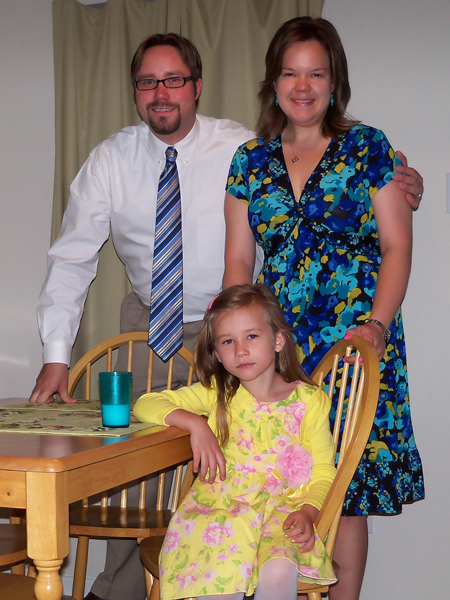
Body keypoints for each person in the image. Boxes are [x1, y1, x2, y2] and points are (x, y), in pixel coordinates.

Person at [29, 30, 423, 600]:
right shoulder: (174, 158)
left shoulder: (270, 144)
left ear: (197, 86)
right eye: (148, 82)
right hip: (227, 331)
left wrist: (405, 183)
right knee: (143, 461)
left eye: (175, 80)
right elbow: (75, 259)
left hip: (333, 335)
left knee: (340, 484)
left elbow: (391, 234)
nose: (162, 93)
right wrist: (56, 357)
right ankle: (129, 589)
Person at [223, 17, 425, 600]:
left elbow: (397, 246)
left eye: (316, 72)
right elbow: (239, 264)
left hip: (357, 343)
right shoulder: (249, 161)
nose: (302, 85)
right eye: (290, 72)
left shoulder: (369, 148)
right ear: (273, 82)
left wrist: (378, 329)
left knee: (345, 490)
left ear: (335, 81)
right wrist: (234, 340)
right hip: (276, 347)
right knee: (275, 482)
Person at [133, 283, 337, 600]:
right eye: (228, 341)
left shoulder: (309, 401)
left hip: (281, 513)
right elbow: (145, 404)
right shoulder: (218, 394)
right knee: (222, 571)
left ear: (278, 340)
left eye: (252, 336)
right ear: (216, 352)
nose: (240, 350)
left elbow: (324, 470)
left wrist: (310, 512)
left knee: (279, 569)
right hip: (221, 510)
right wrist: (195, 425)